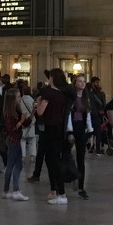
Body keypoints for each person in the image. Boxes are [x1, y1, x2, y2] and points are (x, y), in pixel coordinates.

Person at [36, 68, 73, 205]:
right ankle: (54, 190)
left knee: (53, 161)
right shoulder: (62, 95)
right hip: (59, 128)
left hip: (50, 129)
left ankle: (61, 193)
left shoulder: (48, 93)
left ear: (52, 78)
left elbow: (40, 112)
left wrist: (39, 101)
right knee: (52, 159)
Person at [1, 86, 32, 200]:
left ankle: (7, 190)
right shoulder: (8, 113)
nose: (20, 98)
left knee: (13, 165)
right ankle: (15, 190)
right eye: (18, 96)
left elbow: (26, 123)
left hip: (16, 140)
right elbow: (12, 129)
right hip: (13, 141)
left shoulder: (16, 109)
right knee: (16, 166)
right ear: (13, 99)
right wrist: (22, 120)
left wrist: (30, 114)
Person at [66, 74, 95, 199]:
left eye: (84, 81)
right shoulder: (70, 98)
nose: (82, 83)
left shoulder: (85, 98)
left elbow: (88, 115)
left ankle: (81, 187)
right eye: (79, 81)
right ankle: (68, 180)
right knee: (67, 155)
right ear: (74, 83)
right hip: (72, 129)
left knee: (81, 159)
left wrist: (90, 131)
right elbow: (68, 115)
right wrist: (69, 131)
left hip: (82, 130)